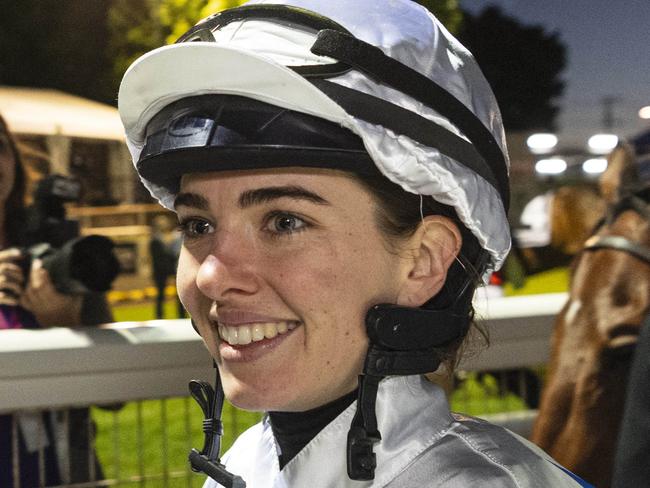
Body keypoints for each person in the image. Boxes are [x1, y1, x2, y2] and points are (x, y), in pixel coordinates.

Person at [118, 1, 593, 486]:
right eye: (198, 226)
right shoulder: (245, 463)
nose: (212, 276)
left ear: (424, 261)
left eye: (284, 222)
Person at [0, 114, 113, 487]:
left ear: (14, 161)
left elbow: (115, 394)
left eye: (0, 147)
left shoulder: (60, 251)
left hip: (64, 468)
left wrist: (65, 326)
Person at [149, 213, 183, 318]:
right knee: (160, 295)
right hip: (160, 271)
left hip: (170, 269)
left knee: (179, 294)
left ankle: (181, 315)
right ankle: (159, 316)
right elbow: (158, 258)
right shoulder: (156, 240)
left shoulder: (171, 238)